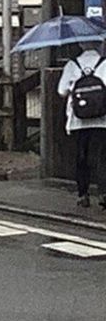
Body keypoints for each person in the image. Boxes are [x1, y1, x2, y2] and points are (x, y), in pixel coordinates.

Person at [57, 45, 106, 209]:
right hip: (102, 119)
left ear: (80, 45)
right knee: (102, 156)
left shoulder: (72, 65)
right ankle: (103, 193)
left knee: (81, 157)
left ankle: (82, 195)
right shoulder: (104, 63)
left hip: (78, 120)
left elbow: (61, 91)